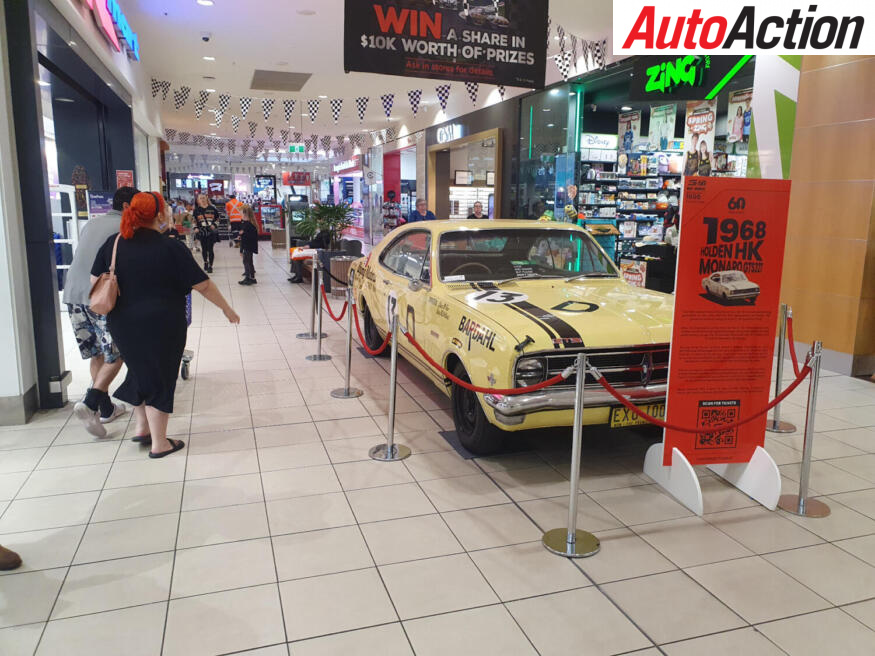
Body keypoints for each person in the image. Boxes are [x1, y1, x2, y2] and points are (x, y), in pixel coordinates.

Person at [91, 192, 240, 458]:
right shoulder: (170, 247)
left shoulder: (114, 243)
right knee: (160, 376)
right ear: (159, 214)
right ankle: (160, 444)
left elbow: (95, 282)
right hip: (164, 324)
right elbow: (202, 284)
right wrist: (227, 309)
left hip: (123, 323)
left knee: (138, 370)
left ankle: (142, 428)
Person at [63, 186, 138, 438]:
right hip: (100, 297)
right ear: (128, 207)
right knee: (117, 353)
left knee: (97, 352)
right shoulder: (124, 228)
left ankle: (106, 408)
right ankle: (91, 402)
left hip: (73, 295)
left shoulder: (91, 224)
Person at [194, 203, 219, 273]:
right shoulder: (197, 210)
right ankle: (205, 262)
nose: (202, 200)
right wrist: (195, 228)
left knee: (210, 249)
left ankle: (210, 266)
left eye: (203, 198)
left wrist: (214, 225)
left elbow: (218, 218)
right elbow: (194, 220)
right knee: (204, 248)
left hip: (211, 232)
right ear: (198, 200)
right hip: (202, 232)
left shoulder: (212, 208)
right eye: (200, 198)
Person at [238, 204, 259, 286]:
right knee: (249, 261)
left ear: (244, 213)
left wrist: (241, 249)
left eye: (240, 212)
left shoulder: (248, 224)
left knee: (246, 261)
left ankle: (248, 278)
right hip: (250, 245)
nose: (239, 213)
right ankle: (252, 277)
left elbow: (246, 236)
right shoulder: (248, 223)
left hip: (248, 246)